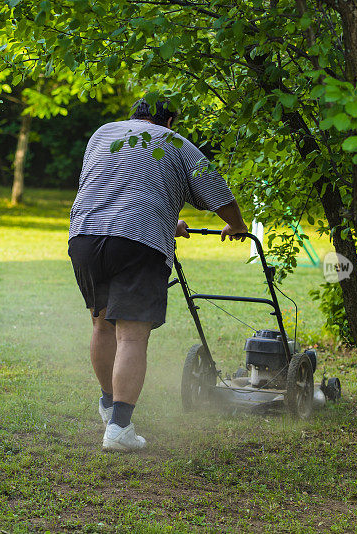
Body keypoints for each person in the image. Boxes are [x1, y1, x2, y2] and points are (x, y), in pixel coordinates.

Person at [68, 98, 248, 451]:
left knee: (102, 325)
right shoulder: (175, 141)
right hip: (138, 241)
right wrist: (237, 224)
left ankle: (109, 406)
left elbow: (115, 187)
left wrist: (168, 219)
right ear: (168, 120)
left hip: (85, 235)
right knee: (131, 337)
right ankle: (119, 428)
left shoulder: (104, 134)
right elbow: (213, 188)